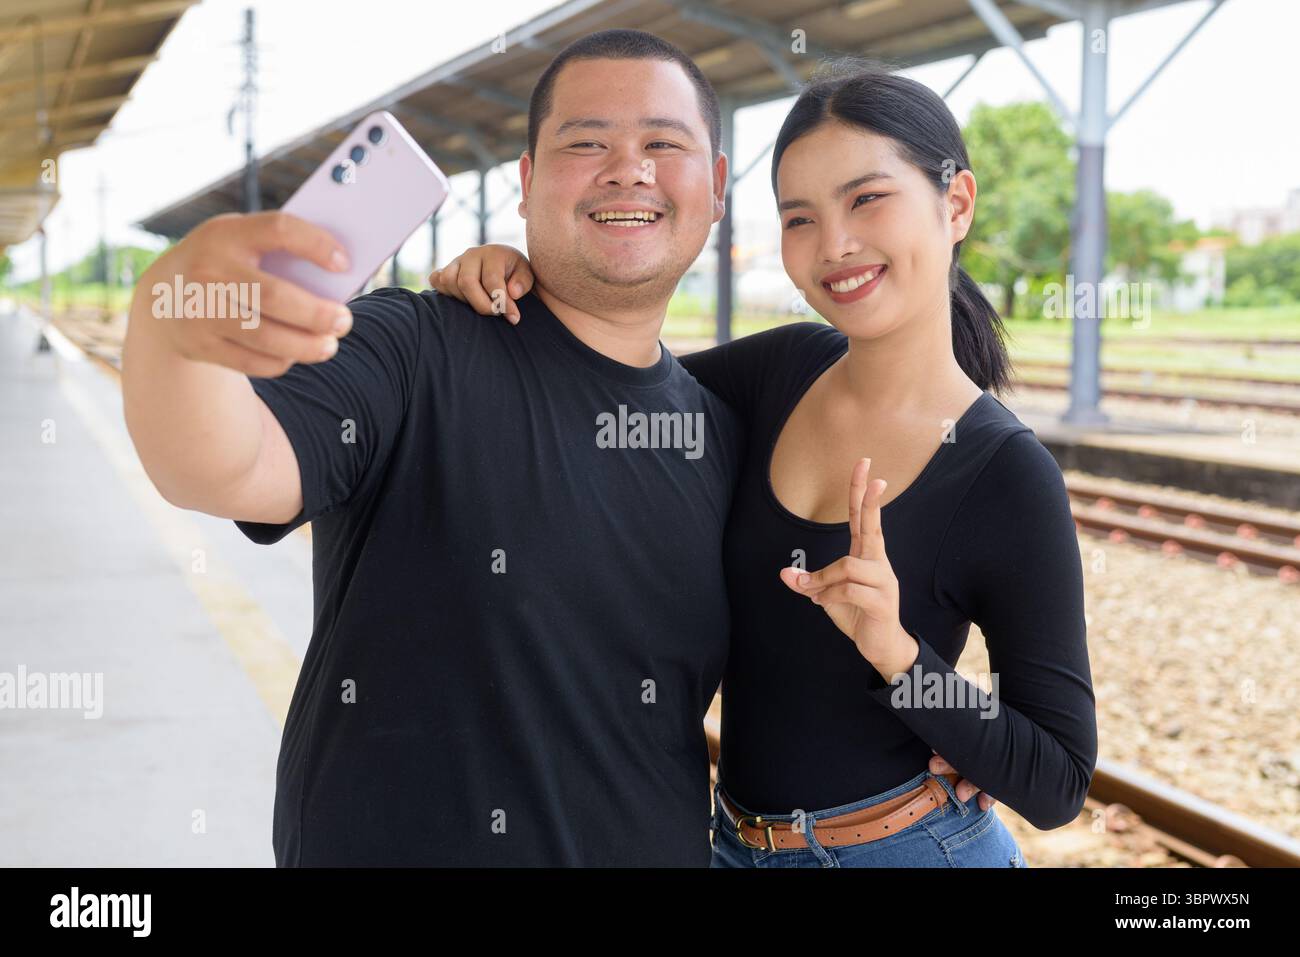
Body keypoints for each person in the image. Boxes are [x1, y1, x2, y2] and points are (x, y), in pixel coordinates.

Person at [429, 63, 1098, 867]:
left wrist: (902, 657)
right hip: (731, 847)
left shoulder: (1005, 472)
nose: (835, 245)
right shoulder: (775, 374)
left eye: (867, 199)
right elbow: (606, 395)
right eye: (799, 218)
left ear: (955, 204)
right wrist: (517, 276)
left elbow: (1058, 778)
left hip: (907, 848)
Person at [121, 29, 750, 866]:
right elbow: (224, 466)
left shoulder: (727, 434)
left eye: (663, 144)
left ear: (714, 189)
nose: (628, 167)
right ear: (525, 185)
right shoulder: (411, 347)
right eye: (586, 141)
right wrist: (172, 323)